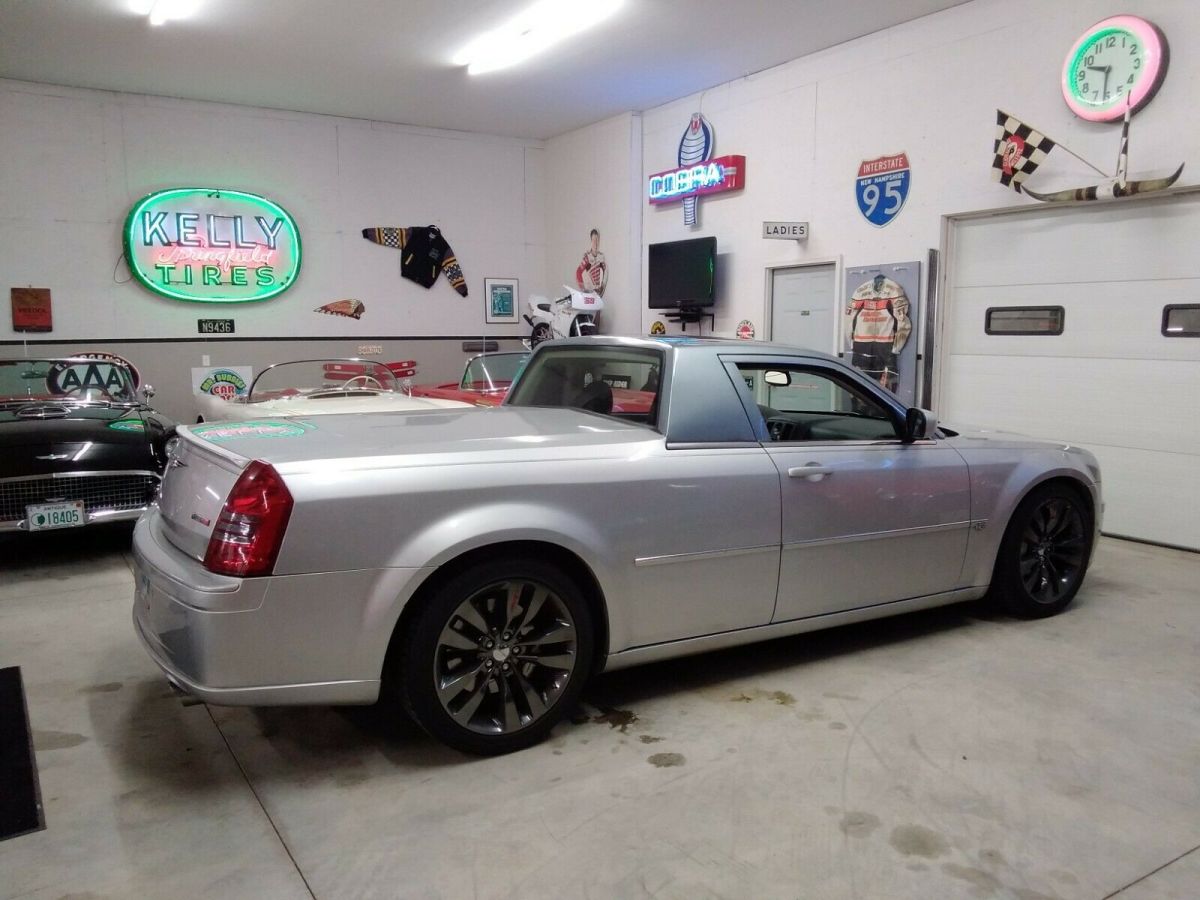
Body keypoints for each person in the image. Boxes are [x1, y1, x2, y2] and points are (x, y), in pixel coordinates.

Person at [576, 228, 608, 296]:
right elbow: (578, 272)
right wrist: (583, 289)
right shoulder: (587, 257)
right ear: (591, 241)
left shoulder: (601, 257)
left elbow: (605, 273)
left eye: (597, 240)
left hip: (598, 293)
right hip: (589, 292)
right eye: (593, 240)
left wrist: (602, 286)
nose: (595, 244)